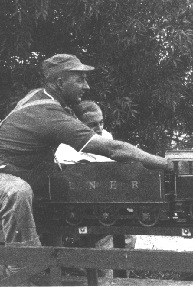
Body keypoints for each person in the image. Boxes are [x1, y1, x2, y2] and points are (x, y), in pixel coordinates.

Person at [0, 54, 172, 278]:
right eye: (80, 80)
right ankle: (22, 270)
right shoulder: (48, 113)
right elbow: (113, 149)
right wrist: (167, 165)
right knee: (17, 192)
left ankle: (68, 263)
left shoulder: (42, 99)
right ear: (60, 82)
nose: (87, 86)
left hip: (17, 170)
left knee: (71, 183)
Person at [55, 100, 136, 278]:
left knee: (128, 236)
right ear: (78, 125)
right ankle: (104, 279)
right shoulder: (65, 149)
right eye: (92, 125)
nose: (99, 128)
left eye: (101, 122)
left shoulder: (105, 137)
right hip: (82, 212)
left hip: (107, 206)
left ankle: (121, 280)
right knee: (105, 243)